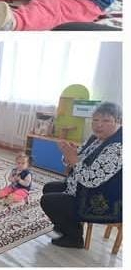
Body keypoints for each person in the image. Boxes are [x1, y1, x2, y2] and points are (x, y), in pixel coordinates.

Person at [40, 101, 122, 249]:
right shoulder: (95, 138)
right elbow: (77, 157)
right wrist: (68, 155)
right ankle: (67, 225)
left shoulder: (118, 148)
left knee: (48, 201)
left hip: (102, 199)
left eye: (106, 121)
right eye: (95, 120)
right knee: (49, 188)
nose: (99, 125)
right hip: (82, 187)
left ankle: (74, 238)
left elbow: (91, 180)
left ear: (118, 121)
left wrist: (73, 160)